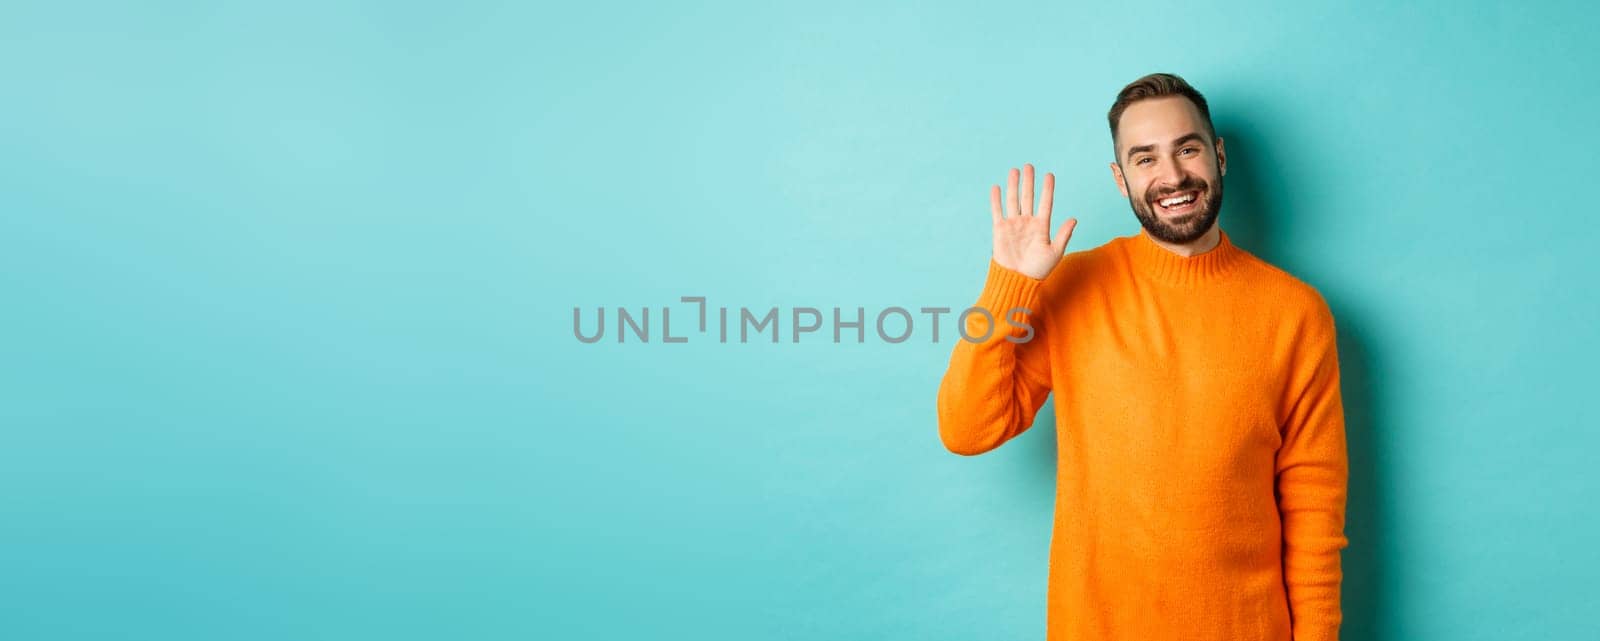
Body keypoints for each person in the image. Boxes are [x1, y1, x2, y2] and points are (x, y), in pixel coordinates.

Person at [936, 72, 1349, 641]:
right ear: (1120, 178)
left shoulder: (1296, 313)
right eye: (1145, 158)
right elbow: (966, 429)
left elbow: (1314, 510)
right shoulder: (1071, 287)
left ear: (1219, 156)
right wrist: (1008, 285)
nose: (1172, 176)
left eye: (1187, 148)